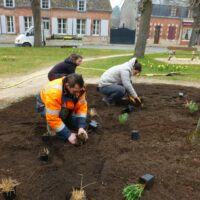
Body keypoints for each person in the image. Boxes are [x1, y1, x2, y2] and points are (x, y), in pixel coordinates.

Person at [36, 74, 88, 145]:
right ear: (67, 86)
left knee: (75, 121)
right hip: (43, 106)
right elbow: (53, 118)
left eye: (79, 91)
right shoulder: (54, 92)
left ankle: (65, 121)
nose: (77, 94)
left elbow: (81, 107)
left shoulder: (80, 88)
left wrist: (81, 127)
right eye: (75, 91)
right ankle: (52, 129)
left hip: (63, 103)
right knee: (63, 113)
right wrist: (68, 135)